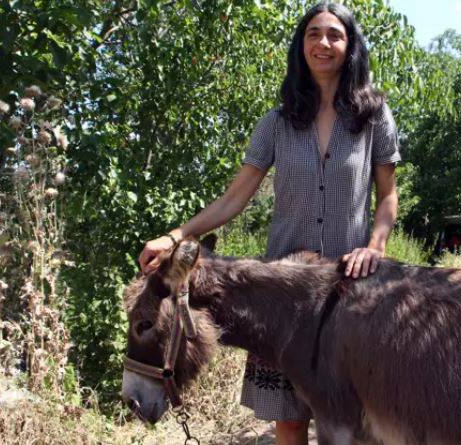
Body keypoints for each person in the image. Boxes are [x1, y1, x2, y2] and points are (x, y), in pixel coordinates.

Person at [138, 2, 401, 444]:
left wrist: (375, 246)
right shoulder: (276, 123)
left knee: (359, 420)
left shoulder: (373, 118)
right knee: (290, 419)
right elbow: (234, 198)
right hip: (280, 298)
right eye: (313, 33)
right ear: (301, 46)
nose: (323, 43)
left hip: (350, 292)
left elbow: (387, 196)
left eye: (335, 34)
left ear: (350, 46)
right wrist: (176, 235)